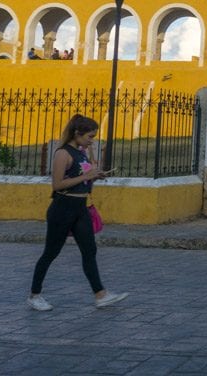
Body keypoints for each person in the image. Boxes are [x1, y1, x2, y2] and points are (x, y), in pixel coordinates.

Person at [27, 114, 128, 311]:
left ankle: (101, 294)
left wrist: (94, 177)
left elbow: (81, 179)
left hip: (81, 208)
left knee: (89, 250)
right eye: (90, 136)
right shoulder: (63, 153)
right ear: (77, 133)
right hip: (62, 208)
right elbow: (57, 184)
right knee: (51, 252)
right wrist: (87, 175)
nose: (92, 140)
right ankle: (34, 294)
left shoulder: (81, 152)